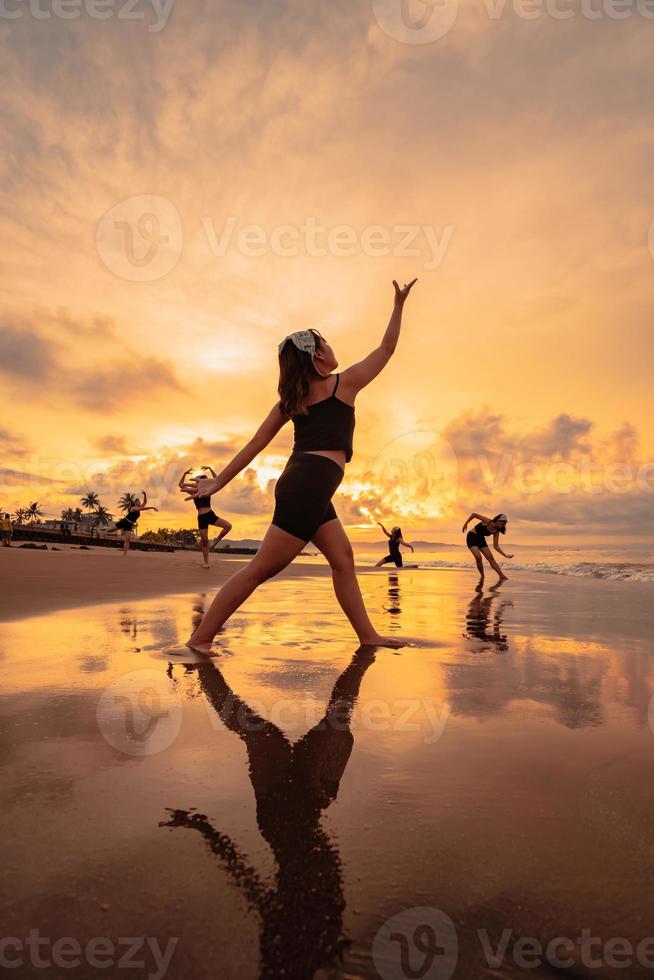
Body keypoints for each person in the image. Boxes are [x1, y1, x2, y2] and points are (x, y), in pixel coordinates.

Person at [180, 278, 417, 653]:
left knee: (343, 559)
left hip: (311, 487)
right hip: (308, 485)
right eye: (325, 342)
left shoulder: (300, 397)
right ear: (317, 355)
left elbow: (257, 443)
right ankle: (201, 639)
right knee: (261, 568)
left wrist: (219, 482)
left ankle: (368, 637)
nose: (330, 346)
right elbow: (385, 349)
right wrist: (399, 306)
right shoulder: (343, 384)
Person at [178, 466, 232, 568]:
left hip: (210, 514)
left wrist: (211, 469)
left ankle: (215, 542)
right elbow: (181, 485)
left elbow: (218, 481)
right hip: (201, 517)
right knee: (204, 541)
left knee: (228, 526)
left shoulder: (209, 489)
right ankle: (206, 562)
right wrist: (184, 473)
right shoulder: (194, 491)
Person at [462, 511, 513, 586]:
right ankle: (482, 575)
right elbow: (474, 514)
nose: (502, 526)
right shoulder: (487, 521)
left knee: (491, 558)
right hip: (472, 537)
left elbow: (496, 546)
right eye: (502, 523)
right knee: (478, 557)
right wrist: (466, 524)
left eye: (504, 524)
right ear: (497, 520)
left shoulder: (496, 532)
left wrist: (505, 555)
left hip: (481, 539)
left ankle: (501, 575)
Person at [114, 490, 158, 556]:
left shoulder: (138, 507)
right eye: (137, 501)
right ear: (134, 503)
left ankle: (124, 555)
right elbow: (143, 508)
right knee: (110, 530)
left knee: (128, 539)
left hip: (129, 524)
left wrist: (145, 494)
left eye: (139, 501)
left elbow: (145, 502)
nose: (139, 501)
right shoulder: (134, 508)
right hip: (124, 522)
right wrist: (151, 507)